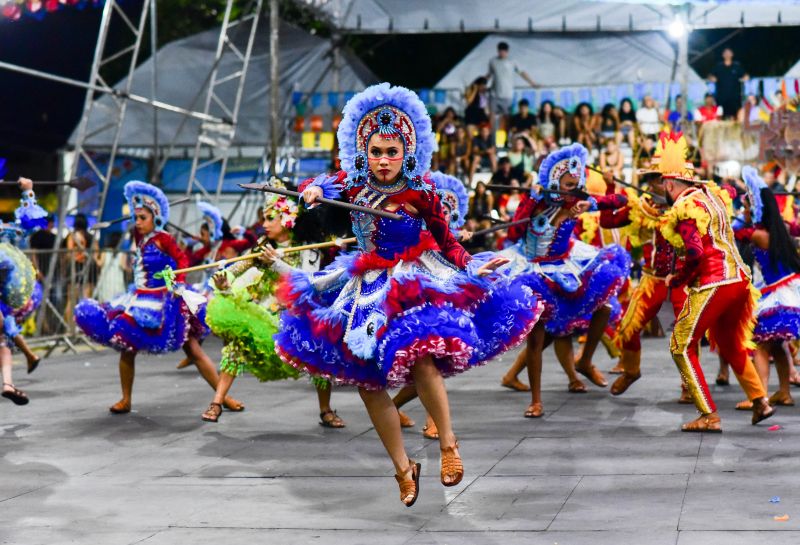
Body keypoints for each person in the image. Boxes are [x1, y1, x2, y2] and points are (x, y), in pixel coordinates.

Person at [276, 83, 543, 506]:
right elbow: (318, 183)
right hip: (366, 287)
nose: (383, 160)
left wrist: (471, 265)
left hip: (413, 280)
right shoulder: (352, 182)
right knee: (366, 382)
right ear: (364, 150)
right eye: (376, 151)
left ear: (408, 151)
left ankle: (448, 444)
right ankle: (403, 468)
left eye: (392, 152)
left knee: (419, 357)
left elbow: (449, 242)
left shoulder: (421, 192)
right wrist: (312, 190)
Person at [74, 181, 243, 415]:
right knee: (126, 346)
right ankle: (126, 399)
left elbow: (182, 261)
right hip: (139, 299)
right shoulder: (139, 236)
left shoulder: (164, 238)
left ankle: (223, 397)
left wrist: (178, 283)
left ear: (155, 217)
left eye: (143, 218)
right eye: (136, 218)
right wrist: (142, 213)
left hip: (165, 301)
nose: (138, 222)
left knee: (193, 349)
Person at [500, 143, 631, 418]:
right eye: (568, 184)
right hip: (534, 270)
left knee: (604, 308)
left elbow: (619, 202)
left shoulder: (576, 200)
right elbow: (516, 225)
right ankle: (536, 400)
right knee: (536, 338)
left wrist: (597, 196)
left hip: (566, 265)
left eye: (576, 184)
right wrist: (531, 198)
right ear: (553, 181)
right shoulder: (538, 201)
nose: (572, 189)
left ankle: (585, 361)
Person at [658, 133, 773, 432]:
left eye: (662, 186)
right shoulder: (711, 197)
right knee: (731, 344)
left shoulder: (684, 209)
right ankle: (760, 400)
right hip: (740, 280)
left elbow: (695, 253)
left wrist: (679, 278)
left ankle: (708, 414)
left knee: (681, 345)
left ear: (670, 185)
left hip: (715, 282)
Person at [201, 193, 346, 428]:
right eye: (264, 219)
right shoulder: (262, 249)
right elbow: (236, 268)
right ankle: (217, 402)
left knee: (319, 354)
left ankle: (326, 409)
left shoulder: (309, 249)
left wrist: (277, 263)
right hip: (266, 316)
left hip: (298, 317)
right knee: (235, 348)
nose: (264, 224)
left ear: (287, 220)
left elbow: (308, 281)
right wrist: (223, 279)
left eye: (270, 218)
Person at [734, 166, 800, 407]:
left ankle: (759, 396)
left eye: (748, 206)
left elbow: (738, 235)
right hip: (783, 291)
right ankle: (784, 392)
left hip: (778, 296)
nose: (745, 210)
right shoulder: (774, 231)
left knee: (761, 345)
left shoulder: (758, 235)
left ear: (758, 209)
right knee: (777, 345)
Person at [0, 177, 49, 405]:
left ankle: (10, 382)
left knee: (4, 338)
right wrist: (28, 192)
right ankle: (8, 383)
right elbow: (31, 224)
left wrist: (28, 191)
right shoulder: (6, 233)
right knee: (3, 339)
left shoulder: (5, 232)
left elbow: (30, 224)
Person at [486, 41, 538, 130]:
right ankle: (491, 137)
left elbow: (522, 72)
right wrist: (481, 84)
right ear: (498, 51)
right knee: (492, 116)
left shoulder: (512, 61)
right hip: (494, 94)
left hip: (507, 95)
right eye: (500, 51)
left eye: (504, 51)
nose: (502, 53)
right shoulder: (493, 61)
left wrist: (532, 83)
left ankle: (507, 138)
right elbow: (489, 74)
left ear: (507, 51)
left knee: (507, 118)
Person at [709, 48, 748, 120]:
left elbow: (746, 76)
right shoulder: (718, 66)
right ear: (723, 55)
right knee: (720, 116)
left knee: (736, 117)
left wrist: (744, 78)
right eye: (725, 53)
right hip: (721, 97)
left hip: (735, 97)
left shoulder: (737, 66)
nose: (727, 54)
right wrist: (712, 78)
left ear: (732, 54)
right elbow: (710, 76)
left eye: (729, 52)